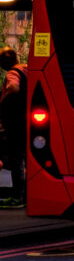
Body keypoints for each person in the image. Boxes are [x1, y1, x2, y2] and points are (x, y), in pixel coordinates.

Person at [0, 47, 25, 209]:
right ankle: (26, 194)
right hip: (27, 121)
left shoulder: (12, 73)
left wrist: (3, 100)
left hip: (15, 123)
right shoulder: (27, 69)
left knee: (16, 160)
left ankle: (17, 197)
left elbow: (14, 88)